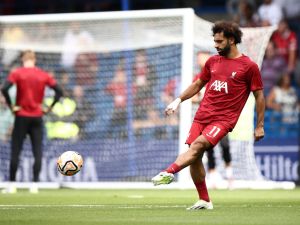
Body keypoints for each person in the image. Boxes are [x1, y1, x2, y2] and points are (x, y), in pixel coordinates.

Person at [151, 21, 265, 210]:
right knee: (194, 156)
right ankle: (204, 199)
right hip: (202, 116)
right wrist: (177, 100)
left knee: (198, 146)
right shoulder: (212, 61)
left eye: (219, 41)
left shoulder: (248, 66)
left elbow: (259, 96)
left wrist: (259, 125)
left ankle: (168, 172)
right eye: (215, 41)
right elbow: (197, 84)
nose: (216, 45)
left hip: (224, 120)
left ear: (231, 40)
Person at [1, 50, 63, 193]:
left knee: (16, 150)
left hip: (21, 115)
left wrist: (11, 106)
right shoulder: (43, 74)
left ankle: (12, 185)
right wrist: (50, 107)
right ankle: (34, 184)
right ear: (34, 59)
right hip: (37, 116)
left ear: (23, 59)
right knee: (37, 151)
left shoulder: (17, 73)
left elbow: (4, 88)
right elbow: (59, 91)